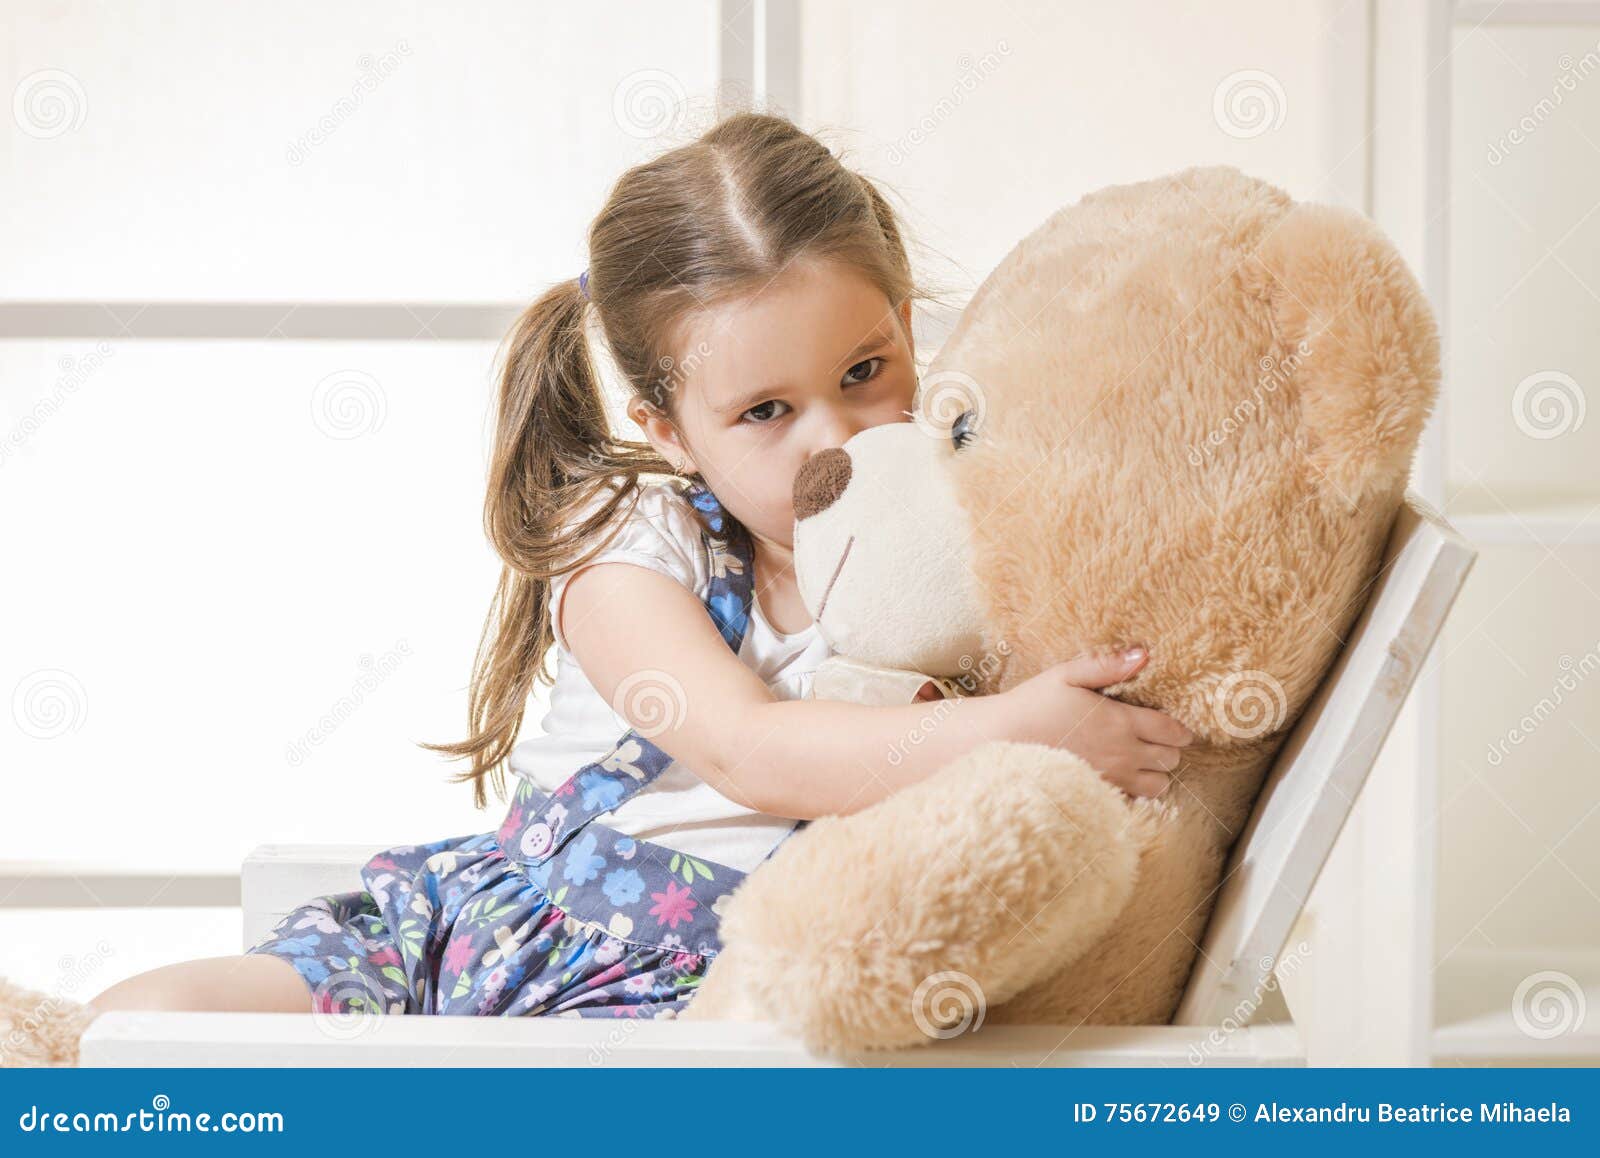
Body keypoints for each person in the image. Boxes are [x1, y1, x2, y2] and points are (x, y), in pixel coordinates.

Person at [86, 111, 1192, 1021]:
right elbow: (751, 751)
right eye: (764, 410)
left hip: (713, 1006)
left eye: (864, 370)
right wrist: (1012, 729)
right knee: (155, 1020)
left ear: (907, 329)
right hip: (501, 946)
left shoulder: (967, 541)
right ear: (669, 431)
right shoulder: (638, 544)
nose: (834, 438)